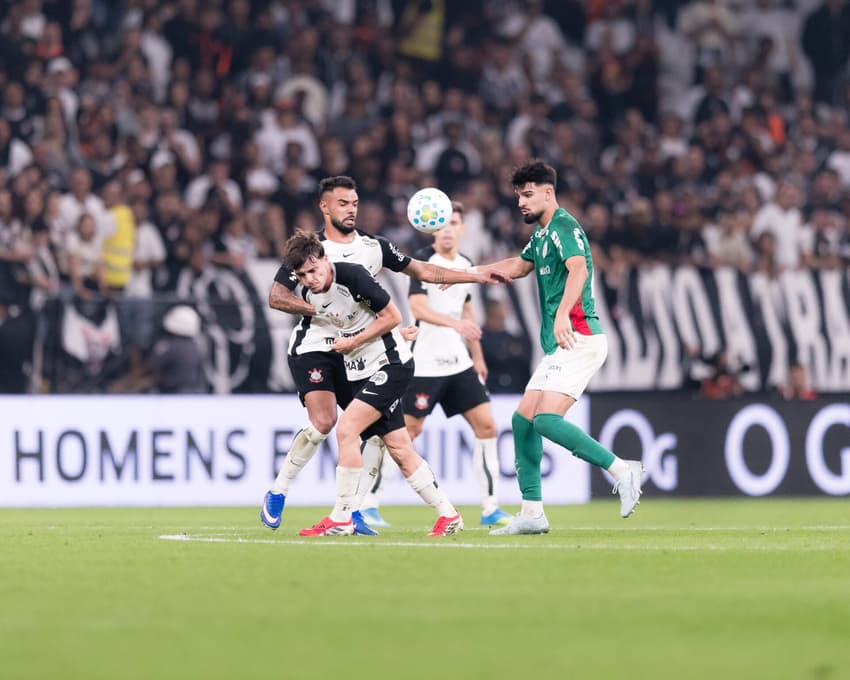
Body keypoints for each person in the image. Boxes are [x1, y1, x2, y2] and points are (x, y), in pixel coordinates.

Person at [260, 175, 508, 532]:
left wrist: (476, 276)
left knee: (375, 436)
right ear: (325, 207)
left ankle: (354, 511)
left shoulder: (373, 248)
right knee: (327, 423)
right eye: (343, 203)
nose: (350, 210)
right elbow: (276, 296)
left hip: (364, 350)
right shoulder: (311, 252)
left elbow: (423, 270)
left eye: (355, 203)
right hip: (318, 346)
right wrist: (323, 313)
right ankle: (280, 491)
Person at [475, 161, 644, 535]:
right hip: (562, 343)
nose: (521, 202)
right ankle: (532, 513)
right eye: (518, 195)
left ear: (548, 193)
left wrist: (563, 314)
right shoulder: (540, 236)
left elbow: (579, 269)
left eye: (528, 193)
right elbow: (517, 268)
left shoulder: (565, 227)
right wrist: (468, 274)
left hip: (579, 337)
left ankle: (621, 468)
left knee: (546, 420)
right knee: (523, 421)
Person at [282, 231, 463, 536]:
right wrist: (368, 338)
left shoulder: (352, 275)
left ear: (326, 259)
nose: (310, 278)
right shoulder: (310, 297)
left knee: (347, 429)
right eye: (302, 275)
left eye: (314, 270)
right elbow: (363, 322)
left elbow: (390, 315)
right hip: (362, 369)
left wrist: (360, 340)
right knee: (400, 449)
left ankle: (342, 516)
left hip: (390, 365)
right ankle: (449, 515)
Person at [359, 201, 511, 528]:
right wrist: (454, 325)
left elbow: (467, 311)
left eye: (454, 223)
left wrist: (478, 356)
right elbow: (419, 308)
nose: (448, 229)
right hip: (424, 364)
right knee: (405, 433)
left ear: (462, 228)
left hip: (458, 363)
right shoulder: (424, 261)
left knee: (487, 426)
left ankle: (490, 508)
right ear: (433, 229)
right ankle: (369, 504)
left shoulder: (467, 264)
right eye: (442, 225)